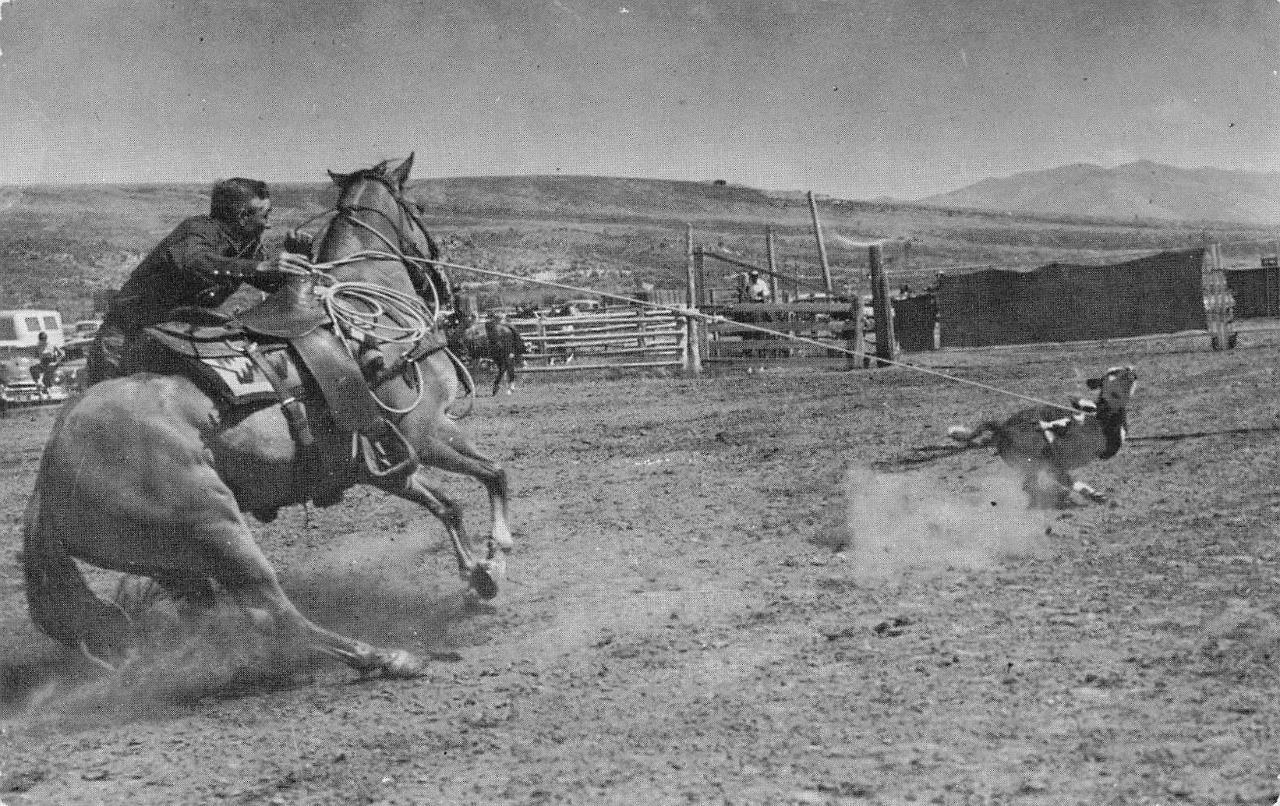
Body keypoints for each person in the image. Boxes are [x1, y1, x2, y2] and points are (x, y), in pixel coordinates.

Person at [88, 177, 314, 384]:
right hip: (127, 337)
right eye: (264, 215)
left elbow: (273, 286)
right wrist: (258, 266)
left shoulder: (247, 246)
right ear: (243, 217)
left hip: (177, 336)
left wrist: (299, 257)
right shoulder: (196, 231)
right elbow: (195, 262)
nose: (268, 224)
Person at [30, 332, 66, 397]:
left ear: (46, 338)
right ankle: (38, 383)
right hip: (43, 363)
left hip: (51, 363)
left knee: (46, 376)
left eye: (44, 338)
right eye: (41, 339)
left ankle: (48, 389)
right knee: (32, 369)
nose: (43, 340)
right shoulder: (38, 346)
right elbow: (35, 357)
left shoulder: (52, 345)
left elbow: (62, 354)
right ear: (39, 339)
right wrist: (36, 362)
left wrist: (57, 362)